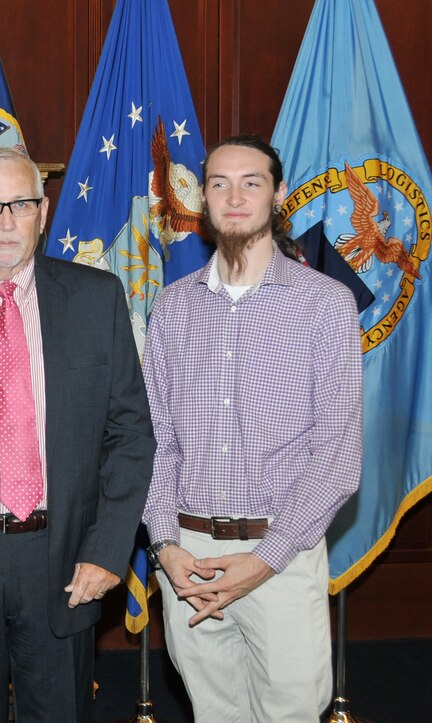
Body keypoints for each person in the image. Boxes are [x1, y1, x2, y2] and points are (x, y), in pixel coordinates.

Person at [0, 146, 155, 722]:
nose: (5, 220)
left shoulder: (97, 299)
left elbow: (130, 434)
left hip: (65, 559)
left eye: (20, 203)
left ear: (42, 211)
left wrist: (107, 548)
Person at [141, 135, 363, 722]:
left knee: (288, 714)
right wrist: (165, 545)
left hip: (282, 555)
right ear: (204, 197)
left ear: (279, 194)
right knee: (214, 713)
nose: (234, 196)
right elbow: (157, 441)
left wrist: (264, 559)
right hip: (188, 559)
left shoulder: (326, 304)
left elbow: (336, 455)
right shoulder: (174, 306)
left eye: (251, 182)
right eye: (219, 183)